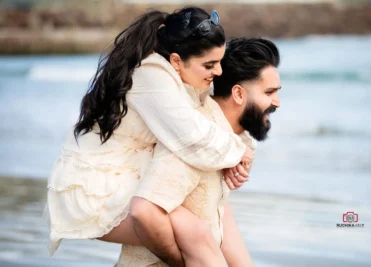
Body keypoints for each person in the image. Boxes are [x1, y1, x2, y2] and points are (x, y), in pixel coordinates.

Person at [46, 6, 253, 266]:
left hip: (126, 174)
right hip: (95, 188)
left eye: (220, 62)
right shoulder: (151, 73)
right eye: (210, 64)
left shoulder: (176, 74)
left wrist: (240, 148)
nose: (219, 72)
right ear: (177, 60)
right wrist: (237, 150)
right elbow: (189, 134)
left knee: (206, 226)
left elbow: (210, 116)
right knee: (197, 235)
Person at [118, 37, 281, 266]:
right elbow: (144, 212)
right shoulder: (194, 140)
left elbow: (220, 214)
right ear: (238, 94)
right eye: (269, 92)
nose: (278, 102)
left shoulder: (233, 141)